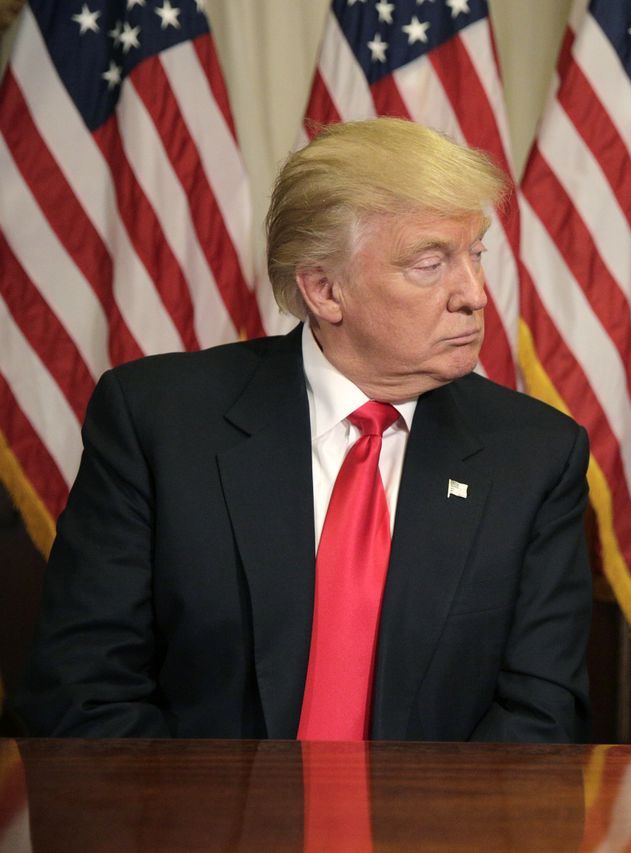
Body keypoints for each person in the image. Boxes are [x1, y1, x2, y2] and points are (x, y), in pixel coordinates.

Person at [16, 118, 592, 742]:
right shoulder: (158, 420)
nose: (474, 295)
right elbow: (85, 689)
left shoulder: (534, 455)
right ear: (323, 290)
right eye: (431, 264)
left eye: (475, 255)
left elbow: (540, 715)